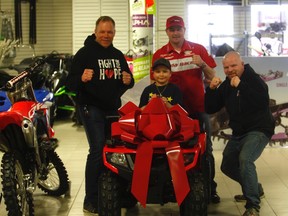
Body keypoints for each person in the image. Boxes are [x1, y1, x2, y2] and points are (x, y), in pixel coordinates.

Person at [66, 16, 134, 214]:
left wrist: (128, 80)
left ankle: (117, 193)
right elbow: (69, 84)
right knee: (97, 149)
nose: (106, 35)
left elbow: (126, 83)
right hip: (91, 107)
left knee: (115, 151)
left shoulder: (117, 54)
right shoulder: (84, 54)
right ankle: (91, 199)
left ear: (114, 32)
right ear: (96, 32)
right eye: (102, 31)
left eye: (110, 31)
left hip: (112, 109)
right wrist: (81, 78)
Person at [151, 15, 220, 203]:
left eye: (178, 29)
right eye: (171, 29)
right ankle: (175, 188)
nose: (175, 33)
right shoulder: (159, 55)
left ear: (184, 30)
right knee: (173, 150)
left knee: (205, 150)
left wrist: (202, 64)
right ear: (167, 32)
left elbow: (212, 74)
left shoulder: (197, 50)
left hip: (198, 109)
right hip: (172, 113)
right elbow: (153, 82)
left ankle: (209, 188)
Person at [205, 51, 275, 216]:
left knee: (245, 160)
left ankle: (252, 206)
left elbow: (262, 102)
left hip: (259, 129)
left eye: (233, 65)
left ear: (242, 64)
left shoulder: (254, 80)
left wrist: (241, 86)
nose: (230, 70)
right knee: (227, 165)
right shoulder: (227, 84)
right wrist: (211, 90)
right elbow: (210, 108)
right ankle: (255, 188)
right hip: (239, 132)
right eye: (226, 67)